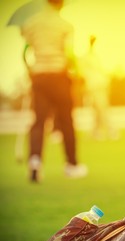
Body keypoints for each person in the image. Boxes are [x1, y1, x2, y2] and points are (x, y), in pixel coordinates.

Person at [21, 0, 88, 182]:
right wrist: (76, 72)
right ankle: (72, 165)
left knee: (39, 121)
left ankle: (35, 161)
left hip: (39, 75)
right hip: (59, 75)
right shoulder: (65, 25)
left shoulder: (31, 23)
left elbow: (26, 50)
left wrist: (30, 69)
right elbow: (69, 53)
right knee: (66, 120)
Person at [78, 35, 118, 140]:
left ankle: (103, 131)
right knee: (98, 109)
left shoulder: (95, 57)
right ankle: (103, 131)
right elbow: (83, 74)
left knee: (101, 109)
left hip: (99, 85)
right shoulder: (86, 57)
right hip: (93, 86)